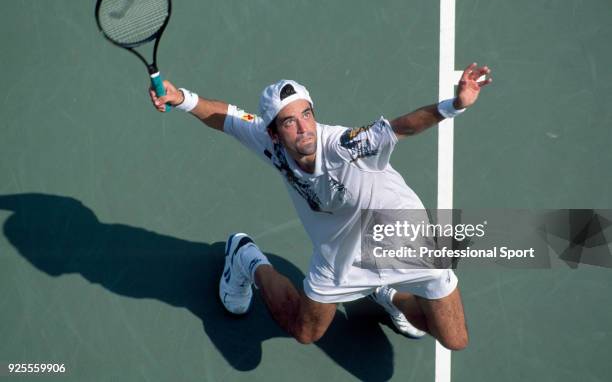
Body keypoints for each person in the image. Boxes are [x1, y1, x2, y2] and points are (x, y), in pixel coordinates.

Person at [148, 63, 492, 350]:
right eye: (289, 122)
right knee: (305, 331)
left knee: (454, 339)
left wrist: (454, 105)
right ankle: (246, 258)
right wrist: (180, 98)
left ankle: (386, 293)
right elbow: (225, 117)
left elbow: (402, 126)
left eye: (307, 115)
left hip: (405, 239)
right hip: (339, 257)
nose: (303, 129)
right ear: (273, 133)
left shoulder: (346, 145)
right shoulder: (269, 144)